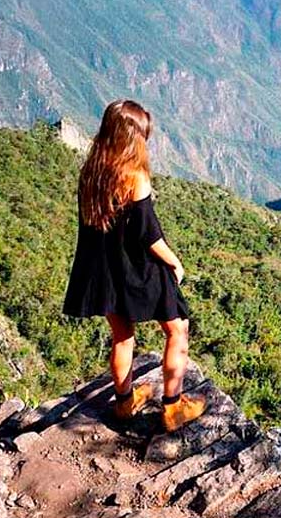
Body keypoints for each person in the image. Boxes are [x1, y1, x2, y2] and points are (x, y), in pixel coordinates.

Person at [63, 100, 205, 432]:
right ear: (133, 137)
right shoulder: (135, 176)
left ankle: (124, 403)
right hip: (137, 270)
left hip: (104, 271)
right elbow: (148, 235)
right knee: (177, 329)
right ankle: (172, 408)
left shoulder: (92, 171)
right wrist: (174, 262)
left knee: (122, 337)